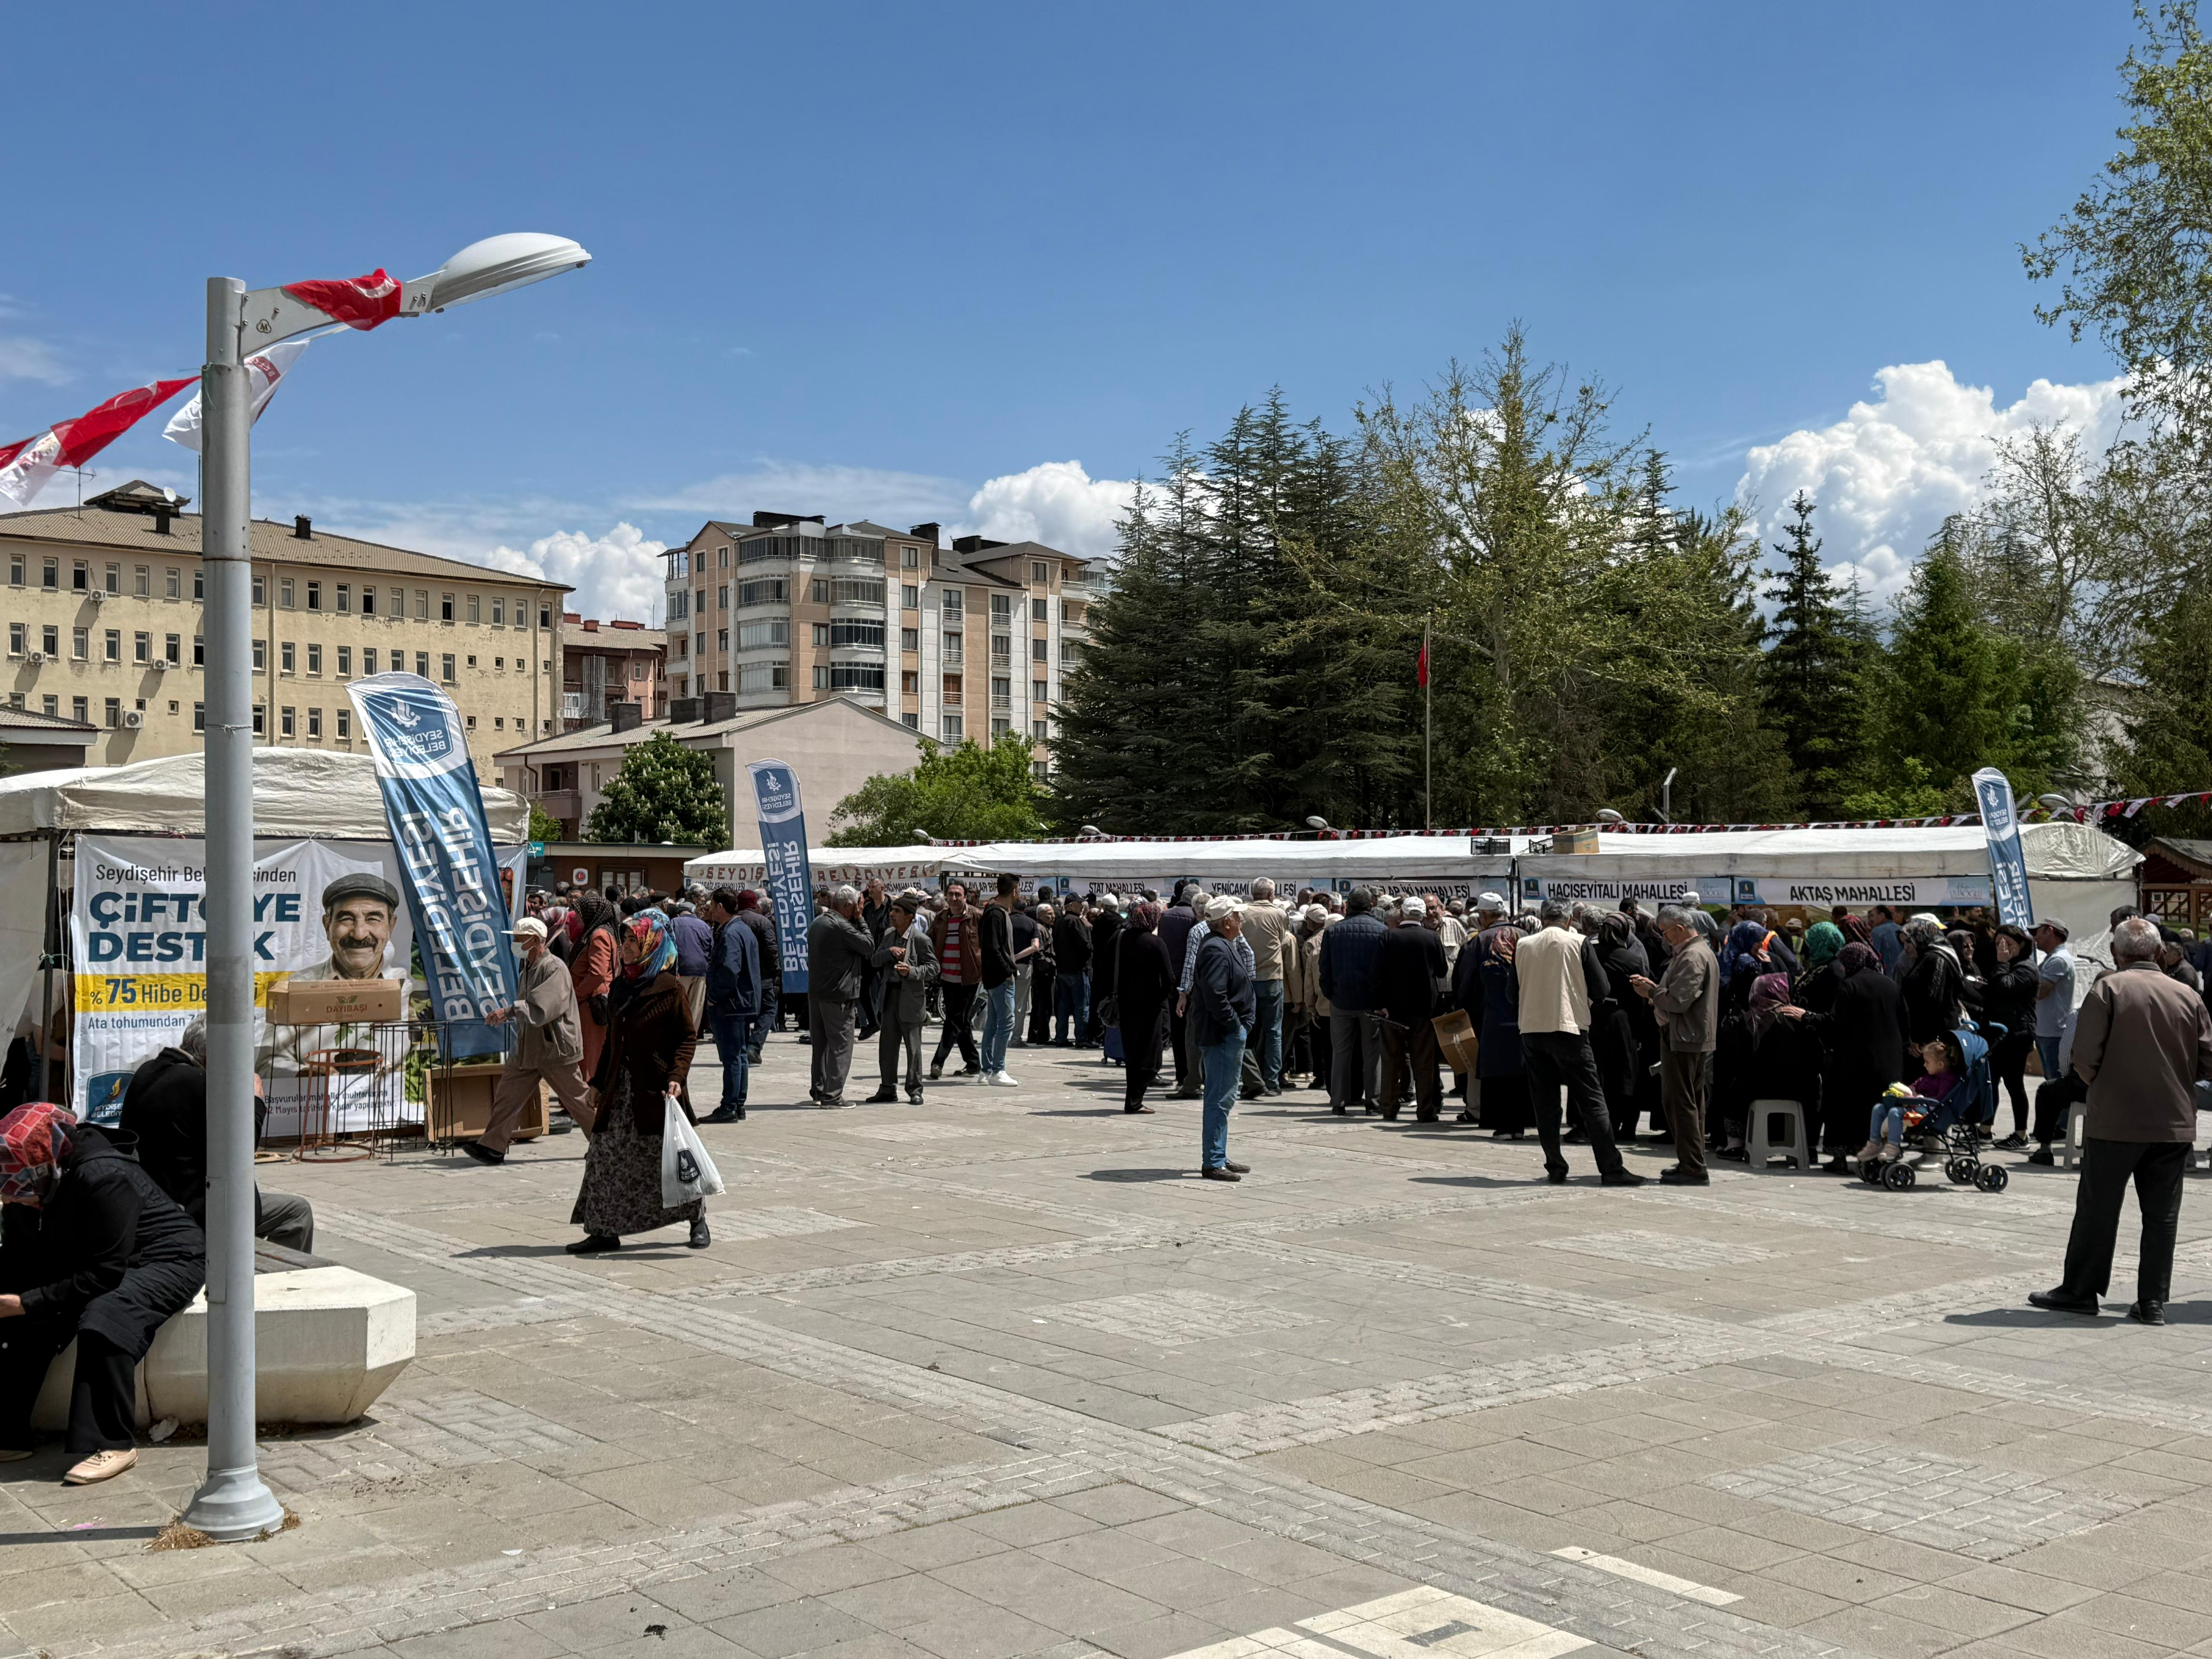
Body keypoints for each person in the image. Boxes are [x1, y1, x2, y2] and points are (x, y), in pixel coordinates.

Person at [0, 1103, 204, 1485]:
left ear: (40, 1167)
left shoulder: (104, 1175)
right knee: (26, 1322)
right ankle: (8, 1432)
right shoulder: (31, 1183)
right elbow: (18, 1260)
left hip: (166, 1256)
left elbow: (104, 1275)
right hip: (98, 1255)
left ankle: (113, 1442)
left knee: (106, 1315)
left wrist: (23, 1302)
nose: (11, 1199)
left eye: (17, 1190)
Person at [2030, 918, 2212, 1324]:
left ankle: (2081, 1291)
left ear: (2116, 953)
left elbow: (2083, 1056)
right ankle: (2152, 1301)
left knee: (2099, 1208)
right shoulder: (2187, 994)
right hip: (2173, 1122)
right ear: (2159, 954)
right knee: (2163, 1216)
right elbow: (2207, 1061)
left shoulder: (2108, 989)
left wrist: (2103, 1084)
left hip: (2116, 1119)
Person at [569, 912, 707, 1254]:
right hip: (620, 1091)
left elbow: (687, 1039)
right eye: (625, 940)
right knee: (605, 1157)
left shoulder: (670, 989)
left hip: (656, 1091)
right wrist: (598, 1083)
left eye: (632, 941)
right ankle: (604, 1230)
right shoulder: (621, 987)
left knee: (671, 1160)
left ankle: (697, 1218)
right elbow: (613, 1044)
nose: (625, 947)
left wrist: (677, 1077)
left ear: (650, 945)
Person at [119, 1020, 315, 1248]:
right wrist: (256, 1102)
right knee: (298, 1212)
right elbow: (241, 1152)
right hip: (194, 1211)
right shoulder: (199, 1085)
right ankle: (283, 1279)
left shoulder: (148, 1071)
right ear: (212, 1056)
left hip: (154, 1199)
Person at [1517, 901, 1642, 1185]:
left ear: (1541, 917)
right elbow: (1602, 989)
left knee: (1545, 1103)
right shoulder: (1579, 942)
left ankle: (1555, 1165)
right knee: (1592, 1100)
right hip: (1569, 1027)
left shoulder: (1524, 945)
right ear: (1570, 918)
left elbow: (1513, 994)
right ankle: (1611, 1168)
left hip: (1533, 1030)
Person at [465, 918, 592, 1163]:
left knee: (578, 1100)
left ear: (535, 940)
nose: (514, 943)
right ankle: (492, 1146)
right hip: (529, 1048)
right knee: (507, 1096)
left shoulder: (554, 968)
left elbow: (543, 1006)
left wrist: (509, 1011)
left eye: (518, 939)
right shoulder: (529, 967)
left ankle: (606, 1144)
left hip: (554, 1048)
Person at [1783, 941, 1907, 1172]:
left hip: (1853, 1064)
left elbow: (1834, 1025)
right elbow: (1905, 1024)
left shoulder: (1849, 987)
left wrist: (1806, 1016)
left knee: (1842, 1110)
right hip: (1889, 1064)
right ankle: (1879, 1156)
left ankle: (1840, 1160)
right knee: (1879, 1109)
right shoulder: (1890, 985)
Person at [1633, 904, 1717, 1184]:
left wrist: (1652, 991)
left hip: (1685, 1037)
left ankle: (1693, 1167)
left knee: (1681, 1103)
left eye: (1666, 933)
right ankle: (1690, 1162)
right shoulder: (1693, 953)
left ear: (1680, 929)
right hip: (1689, 1035)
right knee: (1689, 1103)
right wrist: (1655, 989)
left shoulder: (1693, 956)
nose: (1664, 939)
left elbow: (1680, 1001)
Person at [1191, 897, 1256, 1181]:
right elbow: (1215, 995)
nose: (1241, 922)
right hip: (1221, 1035)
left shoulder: (1221, 945)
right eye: (1238, 918)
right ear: (1227, 921)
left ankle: (1219, 1152)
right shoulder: (1217, 948)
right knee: (1219, 1098)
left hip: (1225, 1033)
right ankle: (1213, 1160)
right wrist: (1235, 1025)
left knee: (1224, 1098)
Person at [1459, 896, 1531, 1137]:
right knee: (1522, 1069)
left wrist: (1465, 1009)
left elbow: (1467, 983)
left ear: (1487, 916)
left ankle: (1503, 1125)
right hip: (1525, 1014)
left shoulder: (1479, 941)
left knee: (1498, 1071)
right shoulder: (1526, 936)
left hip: (1491, 1015)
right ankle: (1521, 1124)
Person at [806, 886, 878, 1110]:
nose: (859, 909)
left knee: (821, 1046)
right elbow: (868, 945)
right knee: (841, 1046)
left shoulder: (819, 922)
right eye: (857, 905)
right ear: (849, 906)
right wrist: (861, 919)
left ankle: (819, 1089)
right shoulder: (842, 926)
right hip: (839, 996)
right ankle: (833, 1096)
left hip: (817, 993)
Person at [1377, 897, 1447, 1123]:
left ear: (1403, 915)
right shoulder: (1432, 938)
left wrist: (1381, 1005)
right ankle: (1425, 1110)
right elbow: (1442, 970)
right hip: (1424, 1010)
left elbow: (1376, 974)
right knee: (1424, 1062)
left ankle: (1389, 1108)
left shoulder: (1388, 937)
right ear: (1423, 915)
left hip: (1393, 1010)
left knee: (1391, 1061)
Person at [1318, 888, 1386, 1117]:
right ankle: (1373, 1102)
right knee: (1372, 1054)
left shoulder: (1333, 931)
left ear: (1348, 906)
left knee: (1341, 1053)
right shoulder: (1382, 931)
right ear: (1370, 906)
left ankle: (1338, 1101)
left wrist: (1331, 994)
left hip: (1342, 1000)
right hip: (1371, 1003)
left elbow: (1324, 967)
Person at [866, 893, 938, 1105]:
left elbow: (934, 968)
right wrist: (889, 952)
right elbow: (874, 960)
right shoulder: (889, 936)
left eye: (897, 912)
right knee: (887, 1046)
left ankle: (915, 1090)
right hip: (889, 997)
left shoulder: (921, 940)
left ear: (909, 917)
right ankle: (887, 1088)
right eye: (892, 911)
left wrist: (912, 972)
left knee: (913, 1048)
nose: (892, 915)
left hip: (911, 999)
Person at [697, 887, 760, 1123]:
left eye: (712, 905)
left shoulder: (732, 932)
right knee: (740, 1055)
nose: (710, 910)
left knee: (732, 1057)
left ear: (721, 907)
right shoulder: (742, 929)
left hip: (730, 1004)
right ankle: (738, 1104)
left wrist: (714, 996)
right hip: (740, 1001)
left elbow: (729, 970)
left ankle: (729, 1106)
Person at [1589, 911, 1649, 1139]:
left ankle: (1601, 1124)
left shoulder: (1590, 953)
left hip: (1593, 1016)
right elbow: (1639, 999)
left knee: (1597, 1072)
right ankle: (1626, 1126)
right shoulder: (1631, 959)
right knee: (1625, 1073)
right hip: (1622, 1020)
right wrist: (1640, 1032)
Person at [1980, 924, 2038, 1149]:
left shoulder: (2027, 969)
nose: (2003, 948)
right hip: (1999, 1033)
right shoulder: (2008, 966)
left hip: (2017, 1035)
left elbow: (2005, 987)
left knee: (2015, 1085)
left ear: (2022, 944)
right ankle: (1985, 1129)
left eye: (2008, 944)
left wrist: (2002, 963)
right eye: (1998, 944)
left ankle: (2021, 1134)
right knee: (1991, 1081)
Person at [1116, 901, 1175, 1113]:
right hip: (1150, 1007)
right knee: (1147, 1053)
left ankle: (1133, 1100)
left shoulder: (1121, 939)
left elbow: (1103, 967)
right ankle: (1135, 1101)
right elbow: (1169, 978)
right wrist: (1162, 997)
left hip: (1125, 1004)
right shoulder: (1156, 943)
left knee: (1132, 1052)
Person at [928, 883, 984, 1080]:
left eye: (958, 894)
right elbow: (930, 940)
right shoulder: (942, 918)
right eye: (951, 894)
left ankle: (938, 1062)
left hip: (969, 977)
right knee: (961, 1021)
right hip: (947, 977)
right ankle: (973, 1063)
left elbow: (986, 944)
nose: (954, 898)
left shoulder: (976, 917)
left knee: (953, 1021)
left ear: (965, 897)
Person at [1242, 880, 1292, 1094]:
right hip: (1271, 976)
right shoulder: (1280, 914)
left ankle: (1251, 1079)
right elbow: (1282, 940)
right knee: (1274, 1031)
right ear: (1271, 894)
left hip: (1248, 977)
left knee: (1248, 1030)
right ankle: (1272, 1080)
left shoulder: (1243, 913)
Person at [569, 890, 620, 1084]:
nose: (578, 919)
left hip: (590, 1003)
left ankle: (587, 1101)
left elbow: (597, 974)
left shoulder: (598, 935)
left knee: (589, 1054)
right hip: (591, 1000)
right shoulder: (603, 932)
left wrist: (577, 996)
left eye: (581, 914)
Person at [978, 874, 1020, 1086]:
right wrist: (1008, 970)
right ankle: (997, 1070)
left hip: (996, 977)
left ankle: (987, 1069)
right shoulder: (996, 914)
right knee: (1006, 1023)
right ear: (1014, 891)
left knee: (994, 1024)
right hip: (1000, 978)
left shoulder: (996, 912)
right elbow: (993, 948)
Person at [1159, 887, 1201, 1093]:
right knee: (1191, 1030)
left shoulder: (1165, 916)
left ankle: (1181, 1074)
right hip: (1189, 981)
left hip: (1169, 977)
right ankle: (1192, 1074)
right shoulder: (1195, 919)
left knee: (1177, 1030)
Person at [735, 892, 780, 1059]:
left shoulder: (732, 921)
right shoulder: (763, 922)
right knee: (769, 1009)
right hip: (763, 976)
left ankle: (745, 1046)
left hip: (740, 975)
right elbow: (771, 950)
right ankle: (754, 1046)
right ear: (755, 904)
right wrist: (776, 971)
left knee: (744, 1012)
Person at [2031, 918, 2077, 1083]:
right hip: (2047, 1032)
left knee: (2056, 1085)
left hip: (2053, 1034)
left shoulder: (2059, 960)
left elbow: (2040, 992)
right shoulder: (2052, 958)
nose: (2034, 938)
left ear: (2050, 931)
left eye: (2037, 933)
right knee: (2051, 1082)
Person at [668, 901, 713, 1037]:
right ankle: (689, 1038)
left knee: (679, 1006)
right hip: (701, 970)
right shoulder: (704, 925)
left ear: (679, 913)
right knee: (695, 1008)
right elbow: (711, 948)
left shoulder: (674, 922)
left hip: (680, 970)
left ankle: (677, 1036)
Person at [1052, 899, 1093, 1045]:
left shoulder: (1060, 922)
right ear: (1071, 906)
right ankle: (1081, 1038)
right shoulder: (1075, 922)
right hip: (1077, 970)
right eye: (1079, 904)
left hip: (1063, 969)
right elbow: (1086, 945)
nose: (1082, 907)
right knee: (1081, 1005)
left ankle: (1061, 1037)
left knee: (1063, 1006)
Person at [1088, 894, 1124, 1047]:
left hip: (1098, 966)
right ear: (1116, 907)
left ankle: (1096, 1033)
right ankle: (1110, 1034)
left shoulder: (1097, 922)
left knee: (1097, 1000)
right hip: (1114, 968)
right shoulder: (1120, 923)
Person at [1010, 897, 1042, 1046]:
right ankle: (1016, 1038)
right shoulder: (1032, 923)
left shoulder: (1006, 921)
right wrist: (1018, 957)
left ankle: (1000, 1036)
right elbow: (1035, 947)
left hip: (1004, 965)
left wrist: (1010, 957)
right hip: (1023, 966)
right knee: (1020, 1004)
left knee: (1002, 1002)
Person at [1027, 903, 1059, 1049]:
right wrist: (1046, 966)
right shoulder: (1040, 929)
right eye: (1049, 914)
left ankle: (1035, 1034)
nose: (1052, 916)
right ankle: (1042, 1036)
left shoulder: (1047, 928)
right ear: (1040, 916)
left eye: (1053, 914)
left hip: (1045, 970)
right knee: (1045, 1005)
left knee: (1040, 1004)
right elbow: (1038, 952)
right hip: (1043, 973)